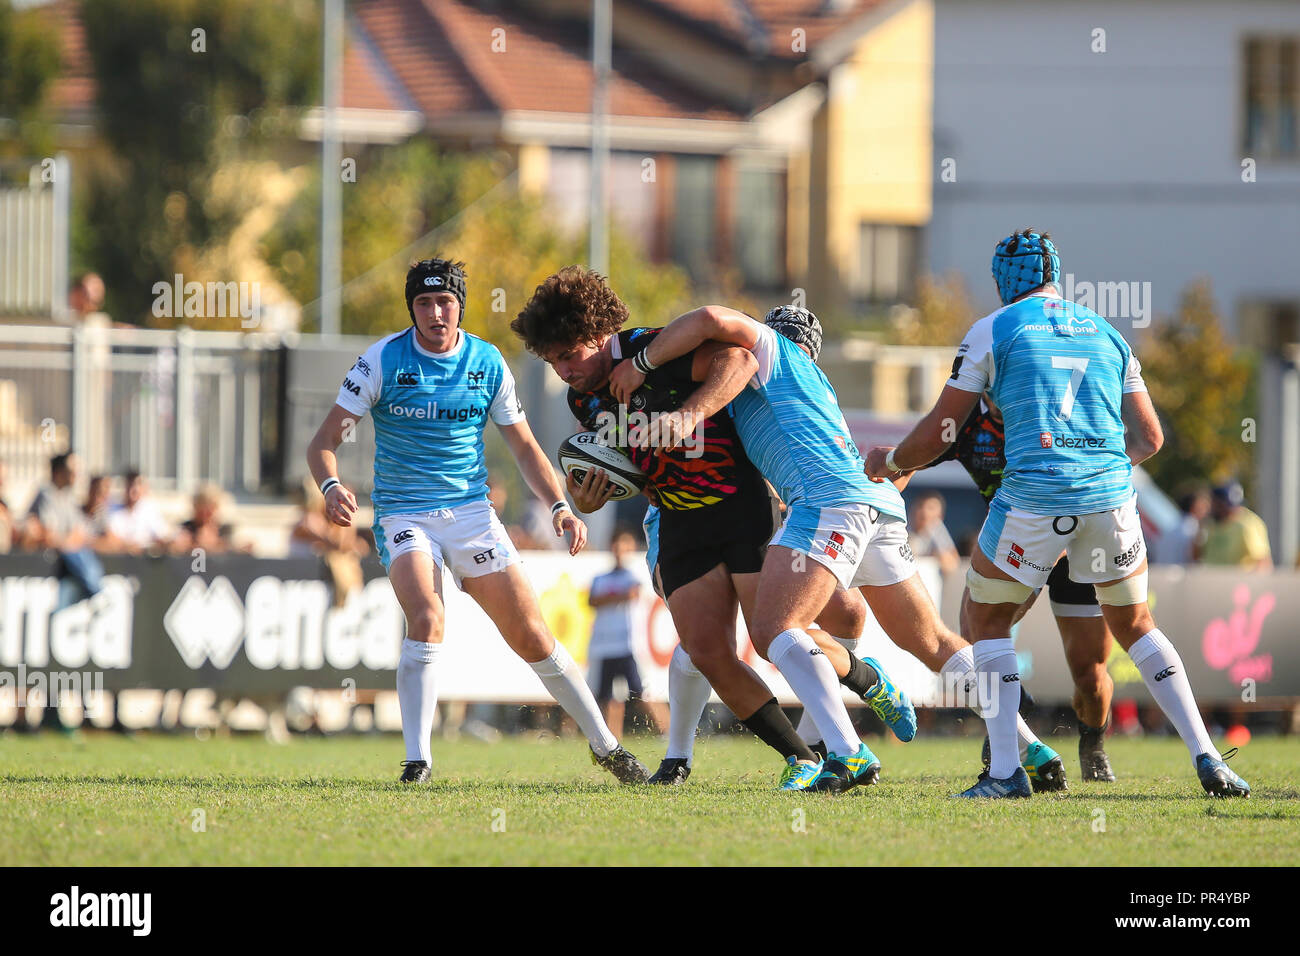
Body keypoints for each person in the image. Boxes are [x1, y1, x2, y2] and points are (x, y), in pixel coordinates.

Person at [864, 228, 1248, 798]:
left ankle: (1004, 774)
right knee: (1137, 626)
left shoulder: (994, 329)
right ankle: (1209, 757)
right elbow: (1149, 436)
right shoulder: (1109, 333)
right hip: (1110, 497)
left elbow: (941, 431)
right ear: (1056, 274)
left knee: (985, 622)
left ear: (1001, 280)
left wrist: (887, 459)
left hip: (1033, 498)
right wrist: (1097, 464)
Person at [607, 302, 1037, 795]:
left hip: (827, 502)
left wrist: (640, 364)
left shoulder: (766, 356)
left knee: (773, 630)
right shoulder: (816, 384)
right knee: (931, 641)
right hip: (873, 504)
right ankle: (1026, 748)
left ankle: (847, 751)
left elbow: (709, 317)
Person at [513, 269, 910, 792]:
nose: (564, 370)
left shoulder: (653, 350)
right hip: (679, 520)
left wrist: (688, 414)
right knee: (707, 652)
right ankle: (801, 758)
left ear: (600, 334)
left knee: (774, 638)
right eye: (552, 361)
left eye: (570, 354)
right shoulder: (583, 400)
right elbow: (631, 468)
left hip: (742, 508)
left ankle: (864, 677)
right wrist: (594, 495)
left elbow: (739, 359)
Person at [307, 257, 647, 785]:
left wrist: (559, 505)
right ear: (412, 309)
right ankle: (417, 761)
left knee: (533, 635)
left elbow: (526, 448)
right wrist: (330, 487)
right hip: (405, 513)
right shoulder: (381, 361)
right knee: (426, 618)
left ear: (460, 306)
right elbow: (323, 442)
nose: (435, 313)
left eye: (445, 302)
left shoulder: (487, 363)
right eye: (424, 303)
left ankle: (606, 747)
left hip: (471, 514)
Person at [921, 392, 1118, 782]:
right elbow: (914, 455)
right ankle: (1009, 727)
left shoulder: (1048, 414)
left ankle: (1092, 741)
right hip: (1019, 544)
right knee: (978, 633)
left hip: (1075, 545)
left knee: (1090, 676)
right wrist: (885, 481)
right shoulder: (963, 421)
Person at [585, 529, 657, 733]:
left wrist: (608, 598)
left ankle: (667, 730)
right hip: (606, 645)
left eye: (624, 545)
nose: (619, 550)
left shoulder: (633, 574)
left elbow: (632, 594)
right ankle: (613, 738)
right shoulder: (602, 577)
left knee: (641, 693)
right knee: (607, 697)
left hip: (627, 644)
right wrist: (617, 596)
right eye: (616, 545)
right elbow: (592, 601)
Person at [1201, 481, 1272, 571]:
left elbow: (1263, 562)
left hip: (1238, 582)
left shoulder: (1248, 524)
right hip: (1212, 580)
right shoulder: (1211, 524)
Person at [107, 469, 173, 554]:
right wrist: (127, 546)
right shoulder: (113, 509)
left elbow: (162, 536)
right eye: (130, 485)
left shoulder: (149, 510)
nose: (133, 490)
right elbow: (110, 539)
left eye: (137, 486)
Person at [1151, 486, 1209, 564]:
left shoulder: (1171, 525)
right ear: (1193, 507)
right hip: (1181, 573)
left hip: (1159, 572)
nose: (1206, 510)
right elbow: (1195, 558)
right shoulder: (1194, 528)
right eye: (1203, 506)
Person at [907, 490, 960, 575]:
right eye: (921, 506)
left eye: (930, 508)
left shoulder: (937, 529)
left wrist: (937, 554)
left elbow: (952, 564)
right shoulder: (901, 526)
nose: (924, 512)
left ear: (940, 516)